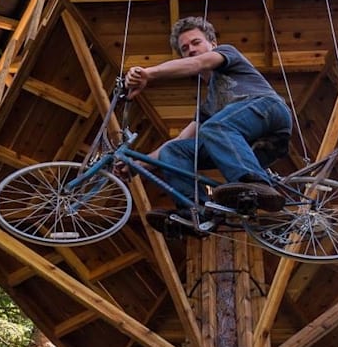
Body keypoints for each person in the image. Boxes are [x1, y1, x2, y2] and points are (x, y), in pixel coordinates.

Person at [122, 16, 292, 232]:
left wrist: (148, 73)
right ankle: (195, 211)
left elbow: (198, 63)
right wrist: (137, 165)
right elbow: (182, 140)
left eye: (196, 42)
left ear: (212, 44)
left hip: (268, 111)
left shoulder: (227, 54)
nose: (191, 50)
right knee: (174, 150)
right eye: (184, 48)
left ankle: (255, 183)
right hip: (249, 144)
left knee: (213, 127)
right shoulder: (208, 106)